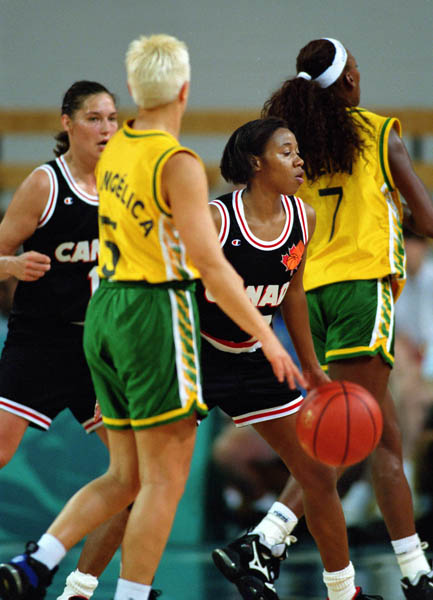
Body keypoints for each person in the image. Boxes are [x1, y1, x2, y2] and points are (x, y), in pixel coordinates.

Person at [0, 34, 301, 600]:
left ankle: (41, 560)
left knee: (126, 475)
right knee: (164, 479)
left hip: (102, 315)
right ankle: (129, 595)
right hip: (150, 312)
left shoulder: (117, 152)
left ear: (134, 93)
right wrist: (269, 336)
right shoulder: (175, 161)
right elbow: (212, 267)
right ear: (185, 88)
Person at [214, 37, 433, 600]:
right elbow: (427, 221)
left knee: (371, 434)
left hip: (311, 292)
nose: (361, 74)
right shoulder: (379, 132)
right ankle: (266, 539)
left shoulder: (298, 141)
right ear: (350, 82)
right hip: (363, 287)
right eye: (356, 67)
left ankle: (414, 570)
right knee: (359, 438)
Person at [198, 117, 382, 600]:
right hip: (196, 358)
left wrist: (312, 367)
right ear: (257, 164)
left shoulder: (304, 217)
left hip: (255, 359)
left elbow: (293, 293)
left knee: (318, 473)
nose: (299, 160)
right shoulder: (217, 219)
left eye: (298, 150)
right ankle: (89, 588)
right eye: (286, 151)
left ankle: (344, 593)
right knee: (143, 482)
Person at [0, 80, 131, 599]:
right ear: (67, 123)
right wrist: (11, 264)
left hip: (99, 351)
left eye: (112, 118)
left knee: (134, 477)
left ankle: (79, 586)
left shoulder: (124, 187)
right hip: (39, 345)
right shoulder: (44, 184)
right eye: (94, 118)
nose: (106, 128)